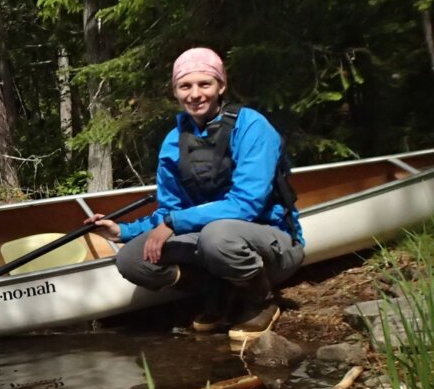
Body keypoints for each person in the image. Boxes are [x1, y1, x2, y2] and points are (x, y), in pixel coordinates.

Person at [89, 47, 305, 343]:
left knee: (217, 236)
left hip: (271, 242)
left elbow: (246, 205)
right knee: (131, 259)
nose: (195, 94)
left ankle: (260, 300)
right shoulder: (173, 141)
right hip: (212, 241)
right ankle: (218, 292)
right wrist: (122, 231)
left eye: (205, 84)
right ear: (175, 92)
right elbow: (170, 208)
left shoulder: (252, 127)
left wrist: (174, 222)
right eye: (185, 86)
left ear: (221, 86)